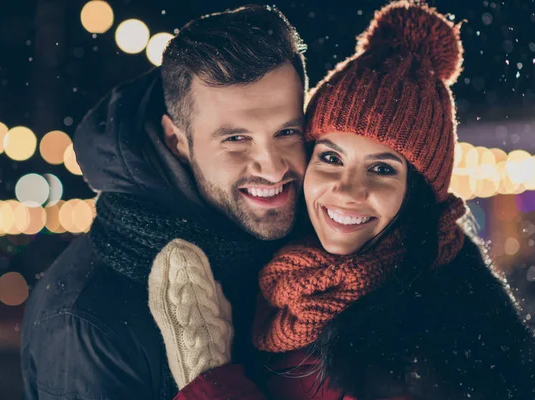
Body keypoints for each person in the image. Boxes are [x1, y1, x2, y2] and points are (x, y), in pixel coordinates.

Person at [148, 2, 535, 399]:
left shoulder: (440, 340)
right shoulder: (286, 281)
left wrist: (210, 377)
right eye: (331, 158)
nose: (347, 190)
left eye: (382, 169)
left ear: (418, 192)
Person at [20, 5, 309, 400]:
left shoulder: (300, 252)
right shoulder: (88, 317)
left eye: (287, 131)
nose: (274, 168)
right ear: (177, 140)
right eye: (236, 139)